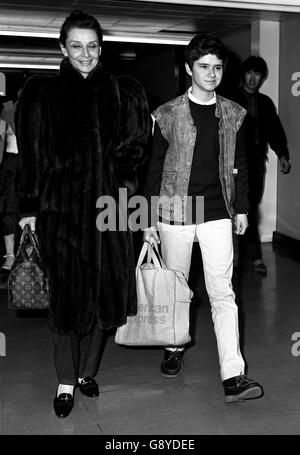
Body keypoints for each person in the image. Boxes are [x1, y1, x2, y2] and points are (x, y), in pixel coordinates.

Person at [15, 10, 150, 418]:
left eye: (92, 45)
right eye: (76, 46)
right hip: (62, 212)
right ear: (62, 48)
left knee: (106, 297)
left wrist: (130, 205)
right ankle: (64, 380)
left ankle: (87, 371)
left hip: (112, 211)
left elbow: (135, 152)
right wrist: (29, 209)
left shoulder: (123, 91)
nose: (86, 54)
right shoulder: (42, 93)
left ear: (100, 47)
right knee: (67, 300)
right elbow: (32, 155)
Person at [142, 34, 263, 403]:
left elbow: (240, 164)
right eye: (204, 67)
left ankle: (233, 375)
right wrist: (147, 220)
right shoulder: (166, 114)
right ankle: (174, 348)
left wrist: (241, 209)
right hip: (176, 212)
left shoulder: (234, 113)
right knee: (179, 290)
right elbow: (153, 170)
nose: (211, 73)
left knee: (223, 292)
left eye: (217, 67)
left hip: (216, 211)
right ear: (188, 69)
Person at [234, 56, 291, 274]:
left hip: (256, 160)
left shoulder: (265, 102)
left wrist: (283, 154)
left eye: (257, 74)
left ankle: (253, 255)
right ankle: (240, 256)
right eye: (249, 72)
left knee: (250, 207)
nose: (252, 78)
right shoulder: (231, 99)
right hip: (234, 161)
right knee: (235, 207)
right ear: (243, 74)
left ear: (262, 77)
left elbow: (275, 130)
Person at [0, 111, 18, 276]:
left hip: (36, 162)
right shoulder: (8, 109)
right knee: (8, 208)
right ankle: (10, 255)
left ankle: (36, 253)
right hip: (10, 161)